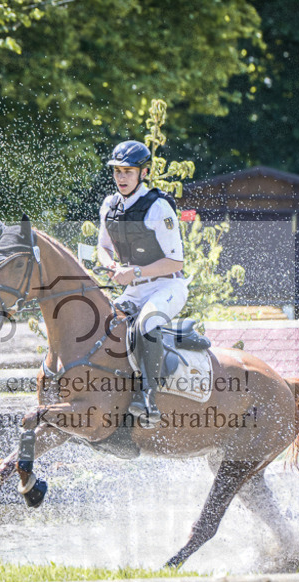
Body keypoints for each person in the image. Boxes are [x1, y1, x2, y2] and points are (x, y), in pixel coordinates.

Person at [96, 140, 188, 426]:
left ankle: (150, 399)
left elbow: (176, 263)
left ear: (143, 173)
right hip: (135, 289)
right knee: (104, 323)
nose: (121, 178)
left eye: (128, 172)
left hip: (168, 287)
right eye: (117, 172)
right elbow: (103, 247)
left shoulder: (159, 207)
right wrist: (111, 265)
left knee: (146, 324)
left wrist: (133, 272)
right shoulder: (109, 205)